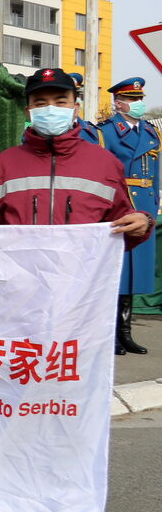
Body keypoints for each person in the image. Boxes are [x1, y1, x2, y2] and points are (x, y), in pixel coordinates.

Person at [0, 68, 152, 512]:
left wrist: (142, 222)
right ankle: (1, 502)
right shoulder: (5, 164)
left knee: (69, 414)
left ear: (75, 105)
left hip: (78, 317)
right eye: (41, 101)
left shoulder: (104, 163)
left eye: (60, 100)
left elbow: (123, 220)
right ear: (28, 108)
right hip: (16, 312)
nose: (50, 109)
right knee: (8, 408)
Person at [98, 77, 159, 355]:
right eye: (132, 99)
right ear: (118, 103)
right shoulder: (106, 133)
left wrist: (153, 206)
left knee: (134, 276)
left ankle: (125, 332)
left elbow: (155, 173)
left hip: (143, 208)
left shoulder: (151, 132)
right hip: (120, 207)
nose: (137, 104)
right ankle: (108, 334)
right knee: (115, 273)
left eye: (139, 99)